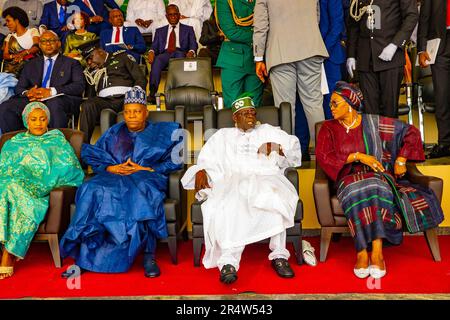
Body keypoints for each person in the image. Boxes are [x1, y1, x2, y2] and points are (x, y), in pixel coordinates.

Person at [315, 82, 444, 279]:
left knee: (376, 185)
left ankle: (376, 251)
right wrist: (359, 156)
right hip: (347, 178)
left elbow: (411, 132)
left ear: (350, 103)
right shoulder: (328, 128)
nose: (330, 107)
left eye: (335, 103)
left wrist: (401, 159)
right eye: (330, 104)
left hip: (377, 175)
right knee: (356, 189)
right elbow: (325, 157)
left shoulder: (373, 122)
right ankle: (361, 251)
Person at [60, 87, 183, 278]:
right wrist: (111, 168)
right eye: (128, 112)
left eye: (136, 111)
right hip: (115, 176)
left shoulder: (162, 132)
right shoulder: (114, 132)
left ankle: (149, 256)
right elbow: (96, 155)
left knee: (137, 195)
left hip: (146, 178)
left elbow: (175, 160)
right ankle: (87, 258)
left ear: (145, 113)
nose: (132, 116)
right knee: (91, 188)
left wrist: (146, 169)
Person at [181, 93, 302, 284]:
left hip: (266, 177)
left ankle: (279, 256)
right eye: (245, 114)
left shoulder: (269, 130)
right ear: (235, 118)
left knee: (275, 199)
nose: (251, 117)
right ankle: (228, 262)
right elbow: (205, 160)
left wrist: (278, 148)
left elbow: (293, 153)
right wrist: (201, 170)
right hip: (232, 181)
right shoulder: (222, 136)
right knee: (228, 204)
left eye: (253, 113)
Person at [0, 102, 84, 280]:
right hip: (9, 189)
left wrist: (36, 182)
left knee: (11, 188)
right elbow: (3, 169)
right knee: (8, 186)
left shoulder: (57, 141)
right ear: (26, 121)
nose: (38, 123)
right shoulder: (13, 143)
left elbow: (69, 169)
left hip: (40, 192)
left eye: (42, 119)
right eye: (33, 119)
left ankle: (9, 252)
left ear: (48, 120)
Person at [253, 0, 328, 142]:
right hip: (310, 48)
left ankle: (287, 157)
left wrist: (258, 58)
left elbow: (261, 25)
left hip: (281, 51)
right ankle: (324, 156)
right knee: (314, 104)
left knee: (285, 108)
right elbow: (316, 16)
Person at [0, 31, 86, 133]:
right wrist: (28, 93)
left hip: (60, 98)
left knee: (53, 103)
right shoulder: (30, 64)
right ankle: (18, 142)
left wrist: (51, 91)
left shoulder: (71, 63)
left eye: (52, 41)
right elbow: (19, 88)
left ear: (58, 43)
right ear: (40, 45)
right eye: (44, 41)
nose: (48, 44)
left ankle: (56, 144)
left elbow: (79, 86)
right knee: (6, 107)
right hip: (33, 99)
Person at [346, 0, 418, 118]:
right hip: (365, 57)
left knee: (389, 111)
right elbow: (353, 23)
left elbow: (411, 15)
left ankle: (389, 137)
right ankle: (373, 137)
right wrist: (351, 55)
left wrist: (395, 44)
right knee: (369, 113)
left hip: (390, 56)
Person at [79, 47, 146, 143]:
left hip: (126, 98)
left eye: (90, 58)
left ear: (100, 52)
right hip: (104, 101)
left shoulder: (122, 57)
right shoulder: (91, 71)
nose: (89, 62)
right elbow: (91, 94)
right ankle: (82, 147)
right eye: (87, 60)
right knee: (87, 105)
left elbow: (140, 78)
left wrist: (134, 96)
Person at [417, 0, 450, 158]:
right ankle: (445, 143)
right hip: (440, 44)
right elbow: (424, 17)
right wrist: (421, 49)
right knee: (442, 95)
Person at [215, 0, 263, 108]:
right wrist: (260, 36)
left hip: (256, 59)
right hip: (233, 60)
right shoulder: (225, 1)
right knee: (234, 108)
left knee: (254, 108)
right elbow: (231, 32)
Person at [147, 4, 197, 103]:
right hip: (165, 53)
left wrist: (191, 52)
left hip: (180, 52)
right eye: (170, 15)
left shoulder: (188, 29)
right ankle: (152, 93)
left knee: (180, 57)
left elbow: (193, 44)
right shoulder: (159, 31)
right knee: (157, 60)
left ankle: (178, 92)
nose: (173, 17)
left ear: (179, 15)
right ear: (166, 16)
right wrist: (151, 52)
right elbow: (154, 46)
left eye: (175, 14)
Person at [1, 6, 40, 76]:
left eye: (8, 21)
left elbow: (36, 47)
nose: (6, 24)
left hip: (30, 69)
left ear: (16, 20)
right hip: (11, 70)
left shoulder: (33, 31)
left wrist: (23, 54)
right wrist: (15, 56)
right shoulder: (9, 36)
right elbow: (5, 55)